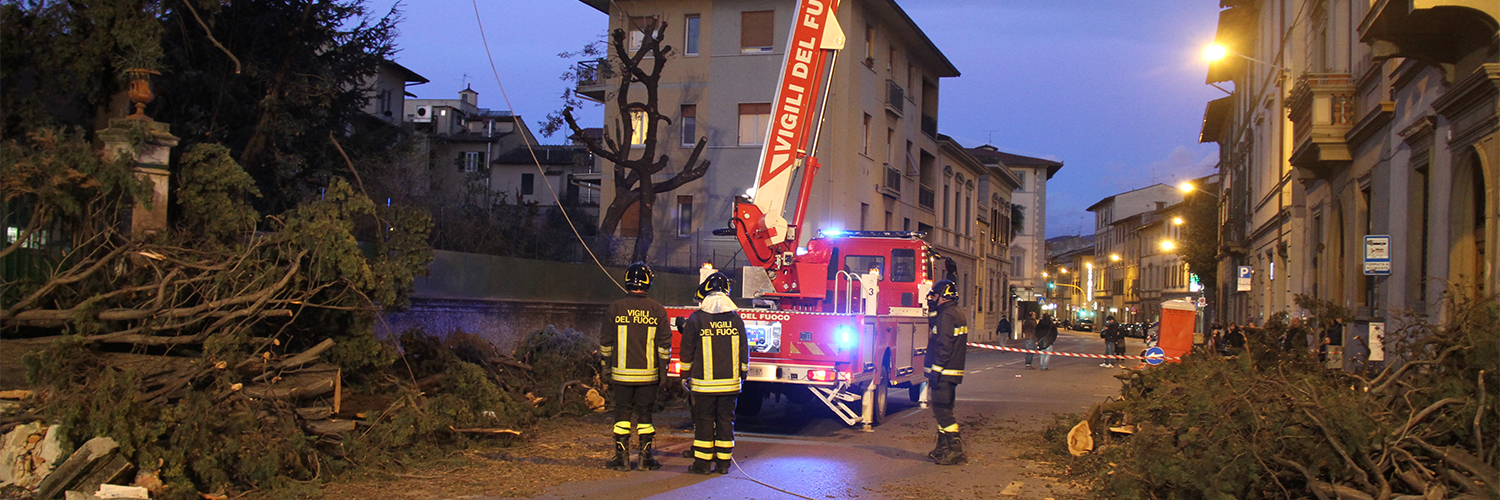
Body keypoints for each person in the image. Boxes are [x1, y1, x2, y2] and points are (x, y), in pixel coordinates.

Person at [600, 262, 671, 471]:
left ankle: (621, 459)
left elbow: (606, 343)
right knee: (645, 415)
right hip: (648, 376)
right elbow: (664, 346)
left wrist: (606, 367)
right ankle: (645, 458)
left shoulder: (615, 307)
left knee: (622, 413)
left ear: (627, 281)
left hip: (620, 375)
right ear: (647, 283)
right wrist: (663, 372)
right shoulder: (657, 310)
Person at [679, 272, 748, 475]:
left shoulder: (697, 319)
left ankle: (702, 465)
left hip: (703, 386)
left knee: (704, 421)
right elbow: (744, 350)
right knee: (727, 421)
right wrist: (742, 376)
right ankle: (723, 464)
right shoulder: (736, 320)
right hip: (730, 385)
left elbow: (687, 350)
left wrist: (684, 375)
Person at [923, 279, 969, 465]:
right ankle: (942, 449)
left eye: (935, 295)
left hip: (944, 372)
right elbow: (935, 327)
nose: (932, 298)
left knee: (942, 411)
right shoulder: (953, 313)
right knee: (945, 410)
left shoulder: (948, 316)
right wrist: (933, 309)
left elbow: (943, 344)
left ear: (943, 296)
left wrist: (936, 371)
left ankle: (955, 450)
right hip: (951, 372)